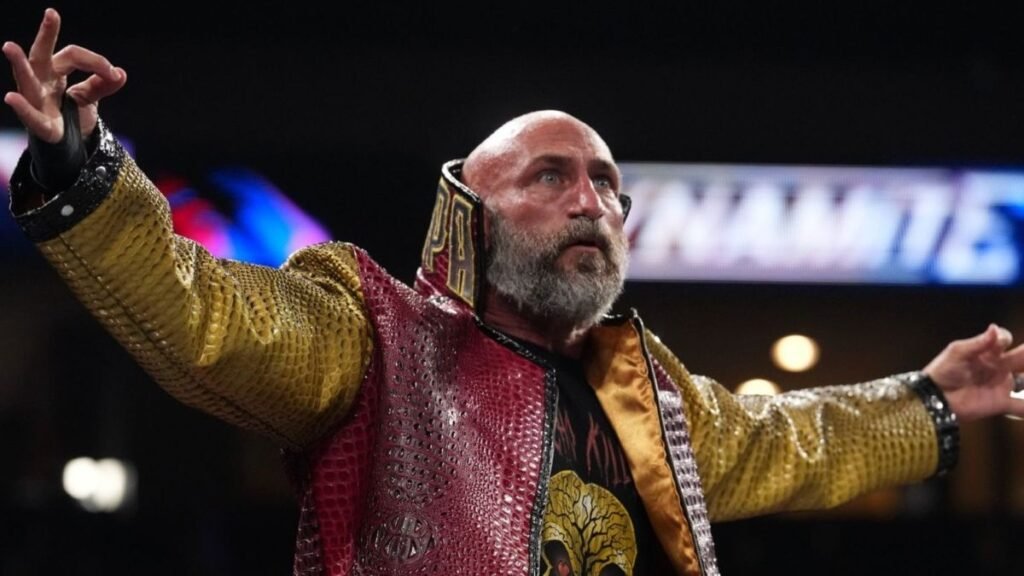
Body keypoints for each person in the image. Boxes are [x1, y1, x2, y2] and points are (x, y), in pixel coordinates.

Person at [5, 9, 1024, 576]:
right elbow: (204, 320)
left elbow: (786, 443)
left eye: (610, 188)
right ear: (468, 214)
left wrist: (932, 397)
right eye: (551, 177)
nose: (594, 203)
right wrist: (83, 169)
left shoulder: (644, 392)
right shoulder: (371, 335)